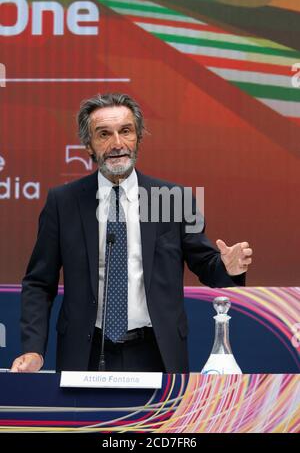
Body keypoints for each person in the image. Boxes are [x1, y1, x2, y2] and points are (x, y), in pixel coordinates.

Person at [11, 93, 252, 373]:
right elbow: (39, 283)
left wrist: (228, 267)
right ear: (88, 144)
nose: (117, 144)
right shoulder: (64, 202)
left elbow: (206, 265)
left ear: (138, 138)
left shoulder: (171, 199)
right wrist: (32, 349)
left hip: (155, 352)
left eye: (125, 131)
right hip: (86, 352)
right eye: (104, 134)